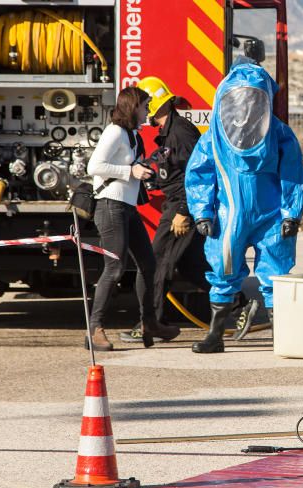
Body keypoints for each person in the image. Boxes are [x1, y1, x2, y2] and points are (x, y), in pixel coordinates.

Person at [185, 59, 303, 353]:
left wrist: (292, 213)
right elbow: (199, 174)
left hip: (270, 216)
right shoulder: (214, 136)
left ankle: (283, 338)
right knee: (223, 270)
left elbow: (293, 173)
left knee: (275, 276)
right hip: (230, 215)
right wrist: (202, 211)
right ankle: (215, 335)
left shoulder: (278, 132)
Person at [85, 86, 179, 351]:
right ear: (133, 106)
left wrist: (148, 166)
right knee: (114, 268)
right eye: (145, 105)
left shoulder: (133, 135)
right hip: (110, 206)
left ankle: (149, 323)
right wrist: (130, 170)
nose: (148, 110)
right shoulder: (114, 132)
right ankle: (95, 329)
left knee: (149, 265)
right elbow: (94, 167)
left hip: (127, 207)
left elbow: (133, 170)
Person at [120, 76, 211, 343]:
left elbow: (197, 174)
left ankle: (151, 323)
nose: (144, 110)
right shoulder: (168, 134)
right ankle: (239, 302)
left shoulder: (181, 132)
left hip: (182, 206)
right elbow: (169, 167)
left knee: (157, 263)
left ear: (157, 104)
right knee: (193, 266)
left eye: (146, 103)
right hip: (179, 203)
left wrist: (183, 210)